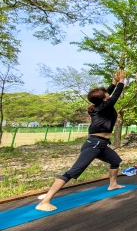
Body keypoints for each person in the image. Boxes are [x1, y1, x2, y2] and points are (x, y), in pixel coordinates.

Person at [36, 70, 127, 211]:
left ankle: (113, 184)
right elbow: (114, 95)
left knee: (115, 161)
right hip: (94, 144)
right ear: (104, 99)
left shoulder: (99, 105)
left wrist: (114, 82)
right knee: (73, 172)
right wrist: (121, 81)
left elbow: (108, 92)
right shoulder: (105, 106)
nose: (108, 95)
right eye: (106, 95)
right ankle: (45, 201)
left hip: (100, 144)